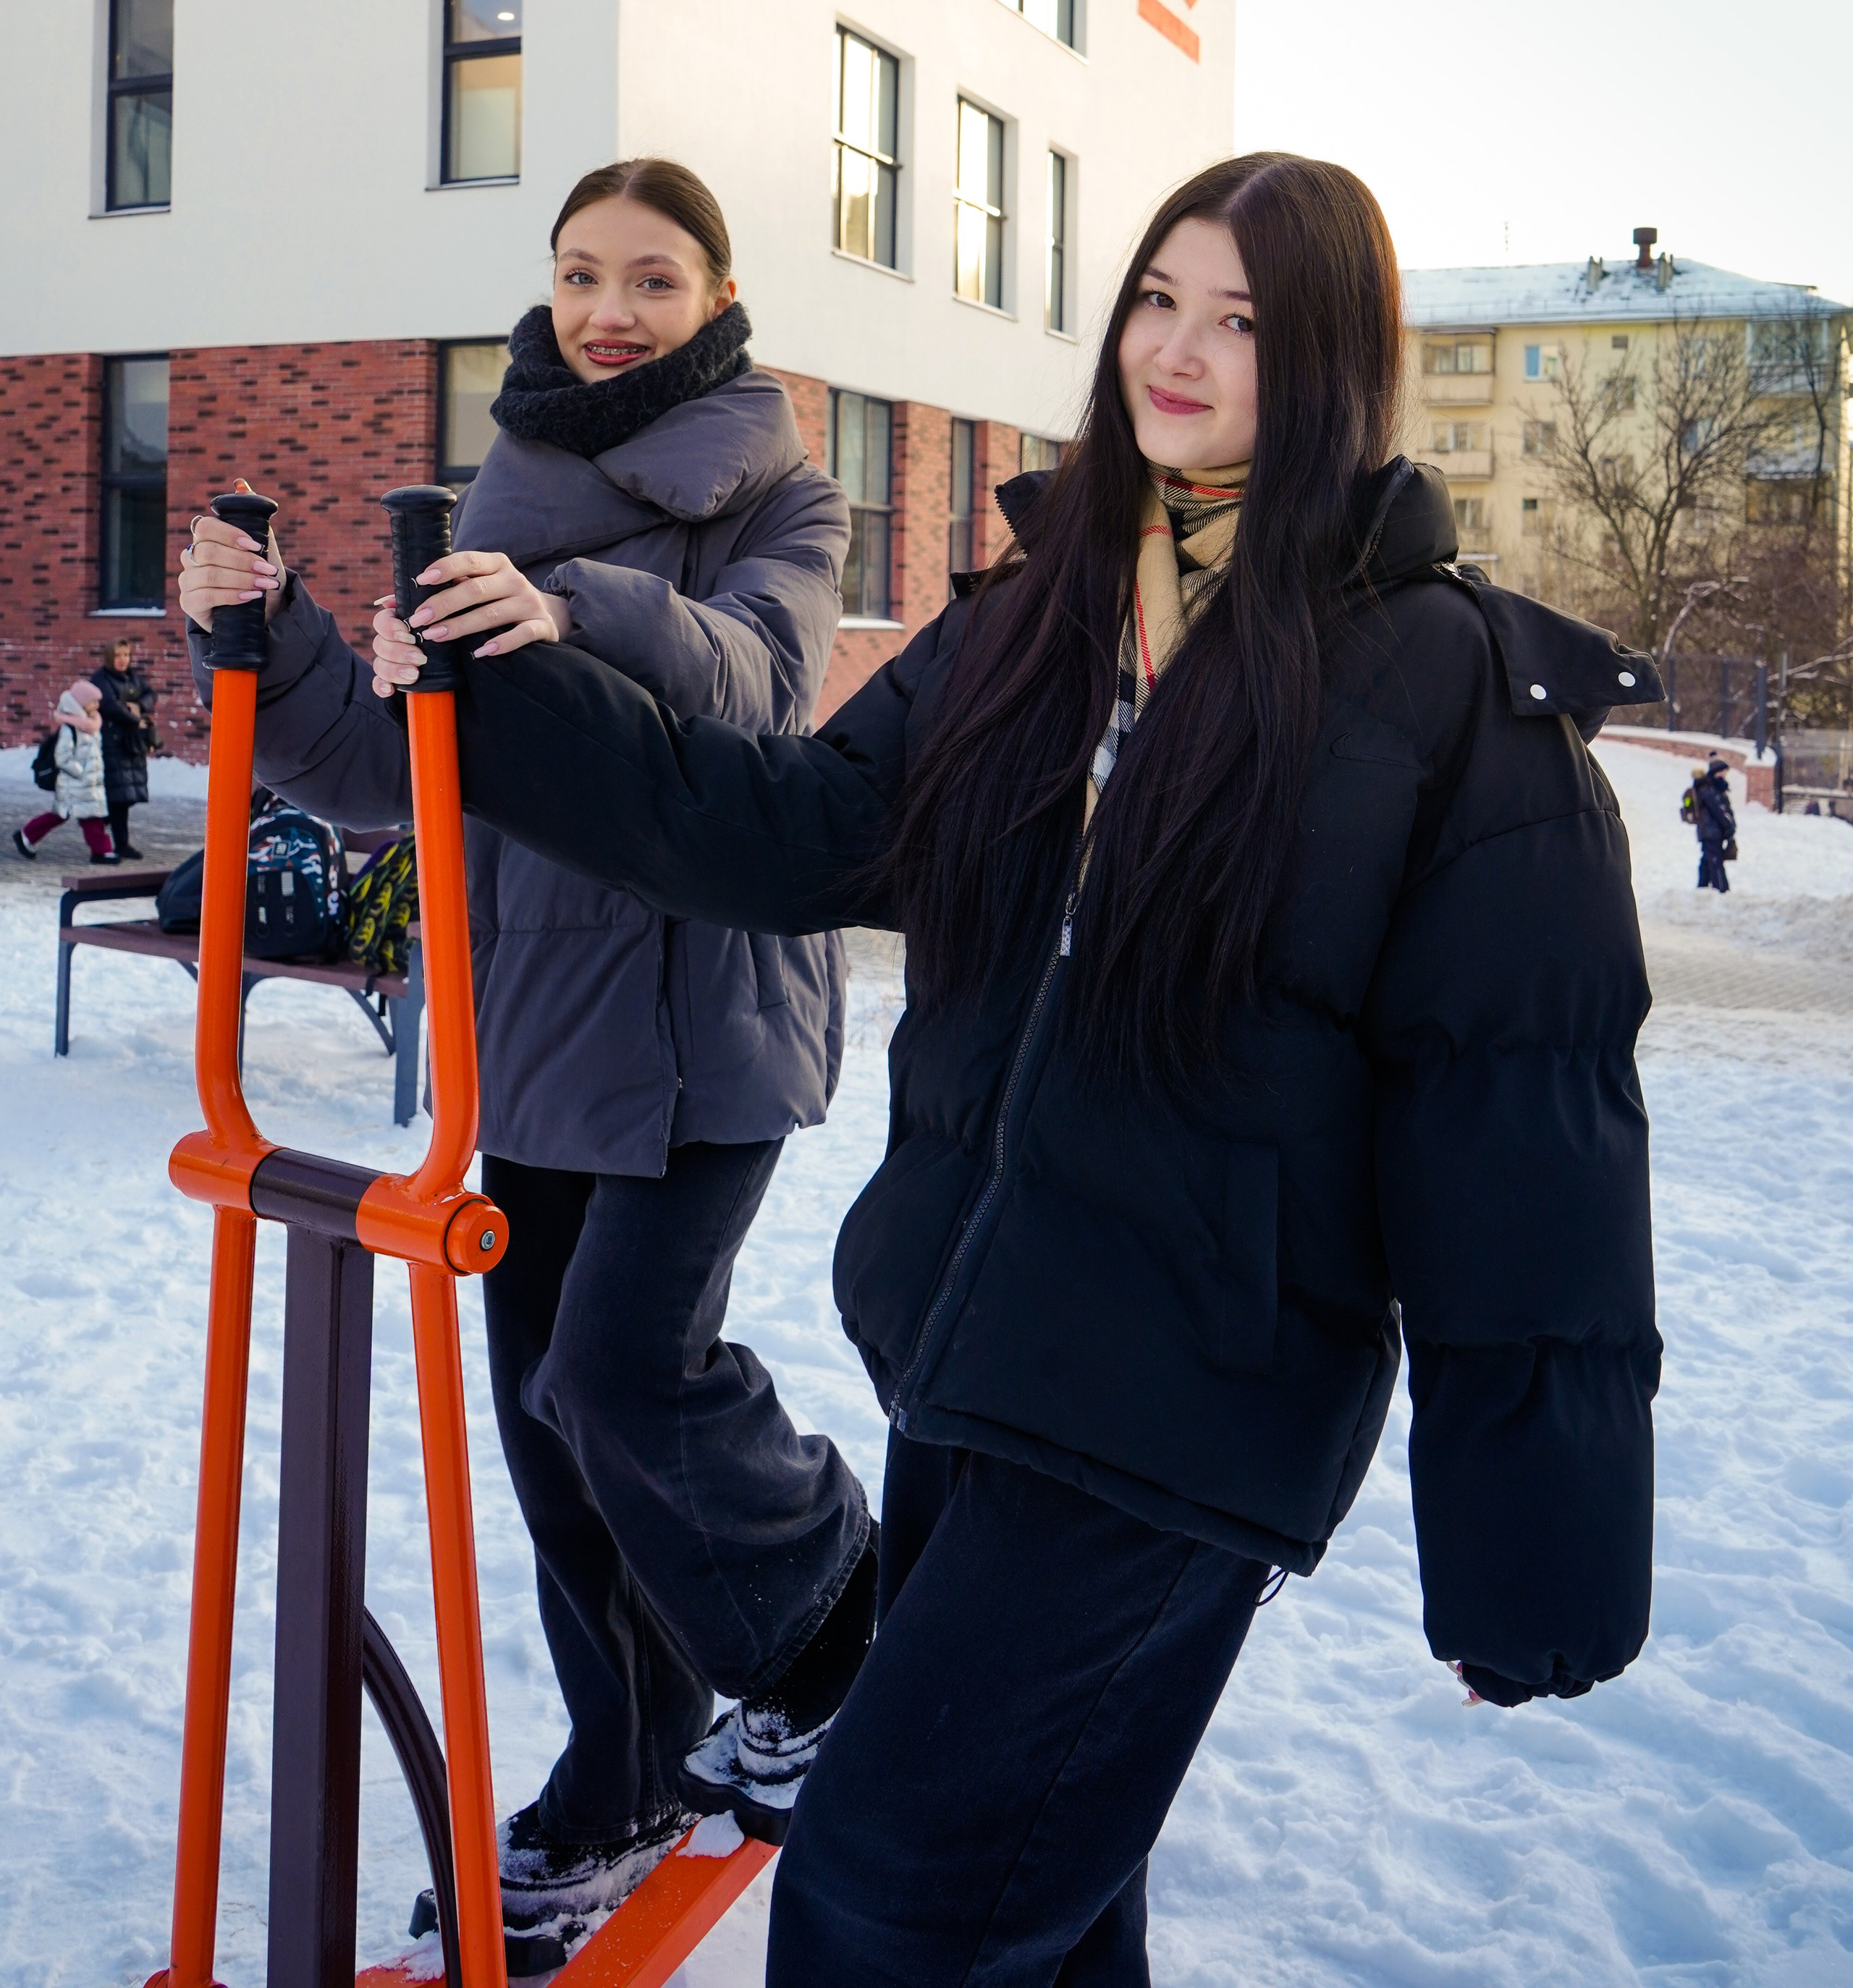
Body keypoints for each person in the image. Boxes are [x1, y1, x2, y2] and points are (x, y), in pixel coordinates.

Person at [419, 153, 1663, 1987]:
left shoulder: (1449, 690)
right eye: (1157, 295)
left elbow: (1524, 1136)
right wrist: (514, 688)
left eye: (1240, 317)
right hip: (968, 1353)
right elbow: (788, 826)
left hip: (1177, 1410)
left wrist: (1530, 1558)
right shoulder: (1038, 618)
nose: (1176, 347)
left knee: (882, 1907)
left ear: (1329, 355)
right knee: (1046, 1920)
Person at [177, 158, 874, 1953]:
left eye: (651, 275)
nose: (609, 306)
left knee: (631, 1377)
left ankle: (839, 1625)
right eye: (580, 272)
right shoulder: (497, 491)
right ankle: (628, 1759)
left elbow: (759, 680)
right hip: (540, 1032)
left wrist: (576, 611)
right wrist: (267, 636)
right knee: (557, 1438)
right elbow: (380, 769)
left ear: (717, 295)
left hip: (709, 1011)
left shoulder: (780, 490)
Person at [14, 681, 115, 861]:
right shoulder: (70, 728)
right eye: (93, 702)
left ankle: (101, 851)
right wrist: (81, 773)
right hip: (73, 783)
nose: (97, 706)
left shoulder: (91, 726)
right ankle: (26, 835)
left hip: (88, 783)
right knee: (66, 815)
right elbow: (63, 757)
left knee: (89, 816)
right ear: (81, 704)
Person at [93, 633, 160, 860]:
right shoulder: (102, 679)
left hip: (131, 746)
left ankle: (102, 826)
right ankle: (116, 842)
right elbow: (110, 706)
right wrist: (135, 719)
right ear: (109, 657)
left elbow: (151, 694)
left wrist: (139, 706)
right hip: (112, 745)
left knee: (126, 796)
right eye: (117, 655)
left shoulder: (132, 678)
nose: (122, 659)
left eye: (126, 655)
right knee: (118, 797)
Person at [1692, 752, 1736, 892]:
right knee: (1715, 861)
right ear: (1716, 772)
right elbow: (1718, 811)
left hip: (1713, 831)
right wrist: (1728, 826)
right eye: (1722, 771)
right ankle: (1721, 889)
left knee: (1707, 859)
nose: (1725, 774)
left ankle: (1702, 887)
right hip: (1710, 831)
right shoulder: (1709, 790)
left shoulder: (1717, 788)